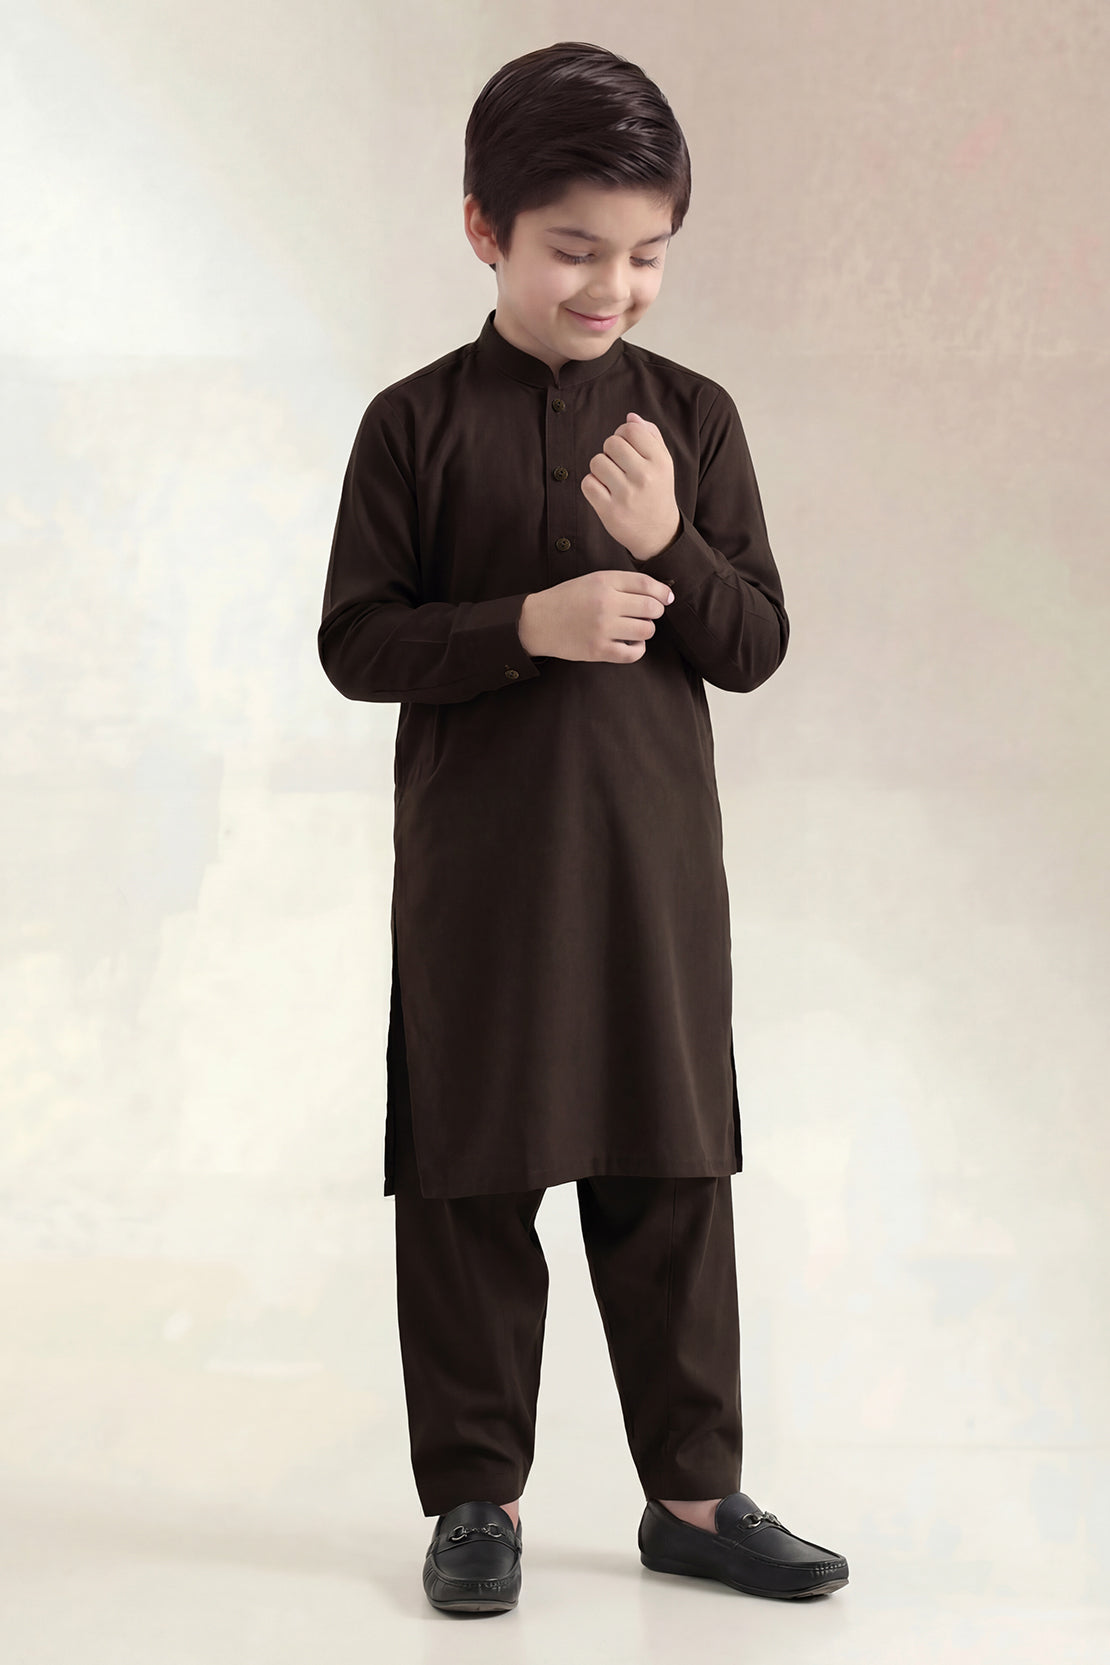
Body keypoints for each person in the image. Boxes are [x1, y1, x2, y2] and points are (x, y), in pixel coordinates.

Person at [318, 39, 848, 1617]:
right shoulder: (412, 425)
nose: (612, 286)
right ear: (482, 229)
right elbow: (356, 642)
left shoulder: (692, 418)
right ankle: (474, 1498)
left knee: (671, 1176)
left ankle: (692, 1496)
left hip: (649, 878)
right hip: (479, 879)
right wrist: (526, 624)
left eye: (645, 255)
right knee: (470, 1183)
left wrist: (668, 538)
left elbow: (752, 644)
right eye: (574, 250)